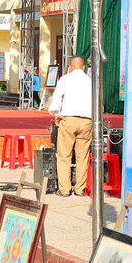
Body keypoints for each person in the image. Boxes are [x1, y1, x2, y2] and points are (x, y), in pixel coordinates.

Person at [49, 57, 93, 196]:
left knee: (64, 155)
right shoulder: (91, 80)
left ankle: (64, 189)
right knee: (82, 157)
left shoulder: (65, 79)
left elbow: (57, 98)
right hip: (86, 120)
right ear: (84, 67)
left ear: (70, 66)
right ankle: (80, 189)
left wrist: (56, 113)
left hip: (68, 119)